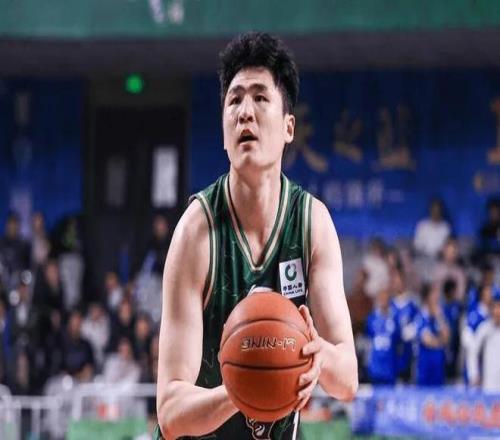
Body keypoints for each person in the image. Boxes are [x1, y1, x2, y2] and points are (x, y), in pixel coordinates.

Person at [155, 32, 358, 439]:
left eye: (260, 98)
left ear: (288, 127)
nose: (245, 112)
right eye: (234, 101)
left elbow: (347, 379)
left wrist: (318, 355)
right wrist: (244, 386)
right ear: (223, 132)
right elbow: (171, 410)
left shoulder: (312, 224)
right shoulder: (196, 231)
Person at [415, 284, 450, 386]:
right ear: (427, 297)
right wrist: (440, 341)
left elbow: (447, 338)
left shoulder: (441, 315)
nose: (437, 297)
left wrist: (439, 317)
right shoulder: (421, 316)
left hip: (439, 365)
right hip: (425, 366)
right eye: (434, 294)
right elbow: (428, 341)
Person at [467, 286, 500, 393]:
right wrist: (474, 375)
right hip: (489, 384)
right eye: (495, 307)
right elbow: (473, 352)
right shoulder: (484, 328)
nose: (497, 311)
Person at [365, 289, 400, 385]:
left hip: (390, 365)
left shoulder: (394, 318)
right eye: (381, 299)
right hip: (376, 364)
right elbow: (368, 340)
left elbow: (398, 340)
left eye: (385, 299)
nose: (383, 301)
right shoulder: (372, 318)